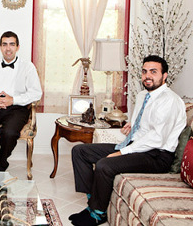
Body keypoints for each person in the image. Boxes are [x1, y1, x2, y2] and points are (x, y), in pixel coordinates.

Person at [69, 55, 186, 226]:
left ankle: (98, 213)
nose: (148, 76)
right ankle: (93, 202)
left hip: (157, 155)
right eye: (145, 71)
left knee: (104, 165)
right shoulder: (142, 96)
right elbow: (145, 124)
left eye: (154, 72)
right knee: (80, 151)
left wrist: (121, 152)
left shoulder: (170, 101)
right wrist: (132, 127)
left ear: (165, 75)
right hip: (137, 146)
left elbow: (156, 138)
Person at [0, 31, 42, 172]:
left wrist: (13, 100)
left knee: (9, 132)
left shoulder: (28, 67)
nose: (8, 48)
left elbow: (36, 93)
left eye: (11, 44)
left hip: (17, 108)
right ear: (0, 46)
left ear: (17, 47)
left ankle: (0, 164)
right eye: (4, 44)